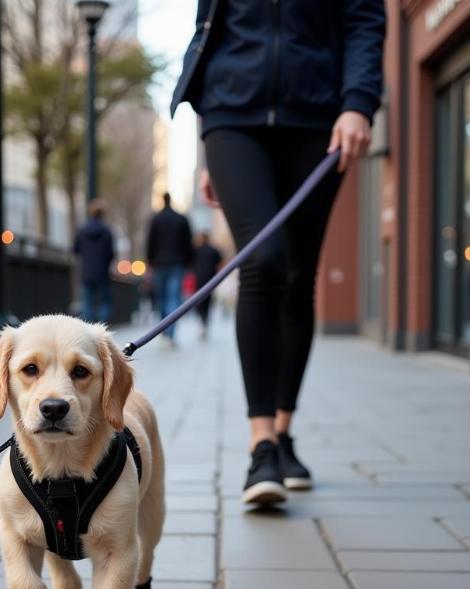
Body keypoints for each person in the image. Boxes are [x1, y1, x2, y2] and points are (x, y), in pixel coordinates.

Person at [171, 0, 385, 505]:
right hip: (231, 114)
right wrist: (214, 158)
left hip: (317, 117)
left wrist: (358, 101)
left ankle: (285, 433)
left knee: (298, 275)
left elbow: (364, 20)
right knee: (263, 263)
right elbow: (213, 24)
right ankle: (261, 443)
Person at [146, 192, 194, 346]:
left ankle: (164, 331)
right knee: (173, 299)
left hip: (159, 264)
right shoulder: (181, 219)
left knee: (161, 299)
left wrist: (150, 262)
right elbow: (188, 242)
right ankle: (170, 334)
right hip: (177, 264)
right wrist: (189, 262)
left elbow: (150, 242)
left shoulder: (155, 219)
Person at [74, 199, 114, 324]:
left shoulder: (82, 231)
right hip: (103, 272)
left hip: (87, 272)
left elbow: (76, 250)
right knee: (105, 302)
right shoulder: (107, 231)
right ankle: (102, 326)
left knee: (87, 303)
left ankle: (88, 328)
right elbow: (111, 253)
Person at [192, 231, 222, 339]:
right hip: (210, 280)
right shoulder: (213, 250)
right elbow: (219, 264)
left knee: (199, 302)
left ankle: (202, 322)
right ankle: (204, 322)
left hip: (199, 279)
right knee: (207, 302)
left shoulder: (196, 250)